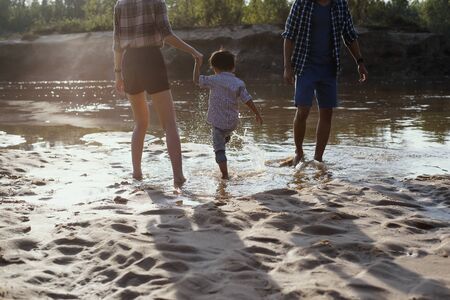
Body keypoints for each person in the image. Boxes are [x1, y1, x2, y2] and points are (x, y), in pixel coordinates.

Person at [113, 0, 203, 188]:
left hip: (129, 63)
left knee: (140, 123)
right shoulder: (157, 1)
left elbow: (117, 44)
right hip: (151, 59)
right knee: (169, 123)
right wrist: (193, 51)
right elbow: (167, 35)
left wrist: (118, 74)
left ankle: (137, 174)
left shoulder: (120, 4)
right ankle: (178, 176)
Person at [282, 0, 368, 166]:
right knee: (303, 110)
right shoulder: (301, 3)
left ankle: (318, 159)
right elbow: (289, 35)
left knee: (327, 113)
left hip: (329, 67)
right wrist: (287, 67)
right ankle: (299, 152)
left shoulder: (340, 4)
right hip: (304, 65)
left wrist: (360, 62)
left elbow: (350, 35)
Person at [193, 50, 263, 179]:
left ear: (214, 67)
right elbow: (247, 99)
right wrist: (257, 113)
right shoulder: (238, 83)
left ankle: (225, 175)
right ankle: (225, 137)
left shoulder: (214, 80)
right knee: (224, 133)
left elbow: (197, 80)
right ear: (233, 67)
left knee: (218, 149)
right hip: (232, 122)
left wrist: (197, 64)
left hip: (218, 123)